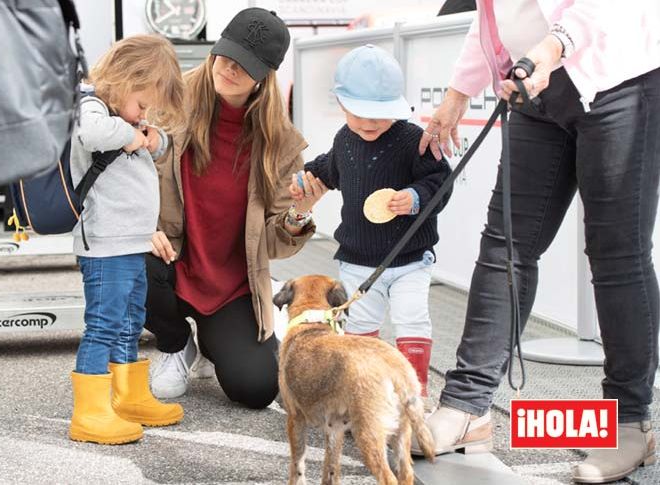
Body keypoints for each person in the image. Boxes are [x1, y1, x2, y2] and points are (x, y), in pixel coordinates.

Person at [417, 1, 660, 482]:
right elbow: (493, 15)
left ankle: (630, 424)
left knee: (617, 256)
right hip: (534, 84)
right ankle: (467, 408)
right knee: (505, 245)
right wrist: (457, 92)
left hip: (616, 77)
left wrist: (553, 48)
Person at [145, 8, 325, 408]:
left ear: (264, 75)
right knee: (131, 257)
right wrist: (142, 225)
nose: (228, 68)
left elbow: (276, 244)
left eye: (244, 65)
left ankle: (211, 340)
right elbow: (131, 176)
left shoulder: (280, 144)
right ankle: (175, 344)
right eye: (225, 54)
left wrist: (300, 213)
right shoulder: (170, 103)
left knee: (257, 388)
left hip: (229, 286)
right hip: (168, 261)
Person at [298, 45, 453, 399]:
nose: (369, 123)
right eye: (360, 114)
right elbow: (328, 168)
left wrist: (415, 197)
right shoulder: (345, 140)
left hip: (411, 256)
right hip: (356, 259)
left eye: (379, 115)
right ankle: (363, 395)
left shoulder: (415, 140)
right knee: (360, 326)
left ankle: (413, 396)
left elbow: (439, 182)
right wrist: (304, 177)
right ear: (341, 105)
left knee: (412, 320)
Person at [68, 34, 187, 445]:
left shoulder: (125, 118)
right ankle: (90, 411)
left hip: (132, 242)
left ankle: (128, 396)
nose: (143, 115)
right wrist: (130, 132)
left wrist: (152, 137)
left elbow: (160, 141)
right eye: (142, 103)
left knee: (130, 322)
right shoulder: (92, 107)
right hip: (104, 244)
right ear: (122, 80)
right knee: (103, 324)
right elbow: (92, 134)